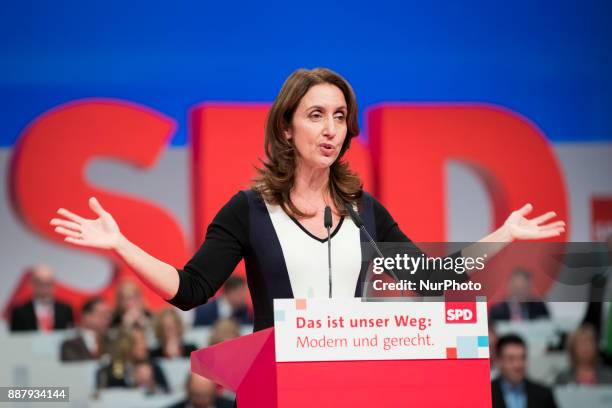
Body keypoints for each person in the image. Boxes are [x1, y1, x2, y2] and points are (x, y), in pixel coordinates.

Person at [49, 67, 565, 333]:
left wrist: (503, 235)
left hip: (351, 379)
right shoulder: (247, 210)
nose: (331, 128)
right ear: (287, 126)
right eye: (316, 114)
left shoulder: (365, 211)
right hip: (276, 385)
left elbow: (434, 280)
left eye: (340, 116)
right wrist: (120, 243)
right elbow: (189, 289)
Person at [491, 334, 557, 408]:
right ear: (499, 360)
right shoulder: (486, 393)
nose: (518, 365)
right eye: (511, 359)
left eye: (522, 358)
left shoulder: (543, 394)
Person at [10, 264, 74, 332]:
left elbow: (70, 336)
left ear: (54, 284)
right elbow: (15, 339)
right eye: (40, 282)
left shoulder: (65, 310)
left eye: (48, 283)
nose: (44, 287)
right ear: (31, 284)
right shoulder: (19, 311)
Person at [61, 297, 112, 361]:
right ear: (86, 317)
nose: (107, 319)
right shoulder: (70, 345)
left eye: (109, 315)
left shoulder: (113, 342)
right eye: (102, 314)